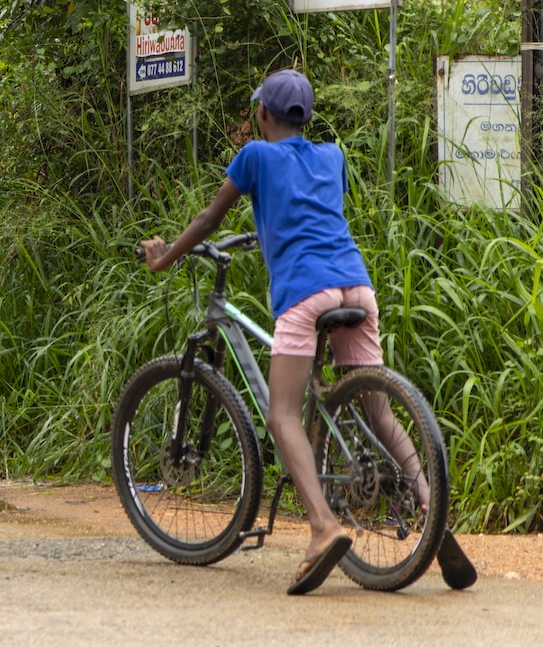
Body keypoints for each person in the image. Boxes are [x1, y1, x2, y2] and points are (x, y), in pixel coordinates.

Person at [137, 68, 420, 596]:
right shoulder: (330, 155)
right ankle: (430, 504)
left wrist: (163, 258)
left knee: (282, 412)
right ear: (307, 118)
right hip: (356, 286)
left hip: (304, 292)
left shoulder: (254, 156)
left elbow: (207, 221)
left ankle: (322, 528)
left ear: (262, 114)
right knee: (378, 408)